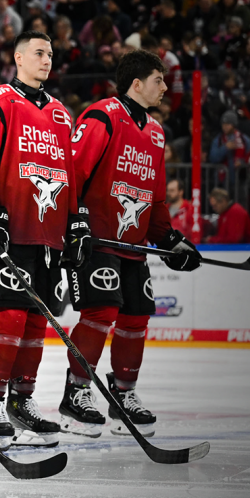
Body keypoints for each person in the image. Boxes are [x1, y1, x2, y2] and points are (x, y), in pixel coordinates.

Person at [59, 49, 203, 440]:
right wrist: (76, 223)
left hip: (133, 245)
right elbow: (74, 173)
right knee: (100, 313)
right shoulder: (102, 115)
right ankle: (77, 392)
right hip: (96, 237)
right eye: (159, 80)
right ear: (137, 83)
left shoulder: (156, 133)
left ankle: (124, 394)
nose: (165, 87)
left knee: (137, 315)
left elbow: (155, 198)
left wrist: (170, 239)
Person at [0, 29, 89, 450]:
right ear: (17, 58)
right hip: (10, 231)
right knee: (9, 318)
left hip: (48, 236)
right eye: (38, 53)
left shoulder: (60, 114)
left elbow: (70, 177)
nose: (46, 60)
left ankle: (22, 400)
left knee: (38, 323)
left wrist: (75, 223)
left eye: (50, 54)